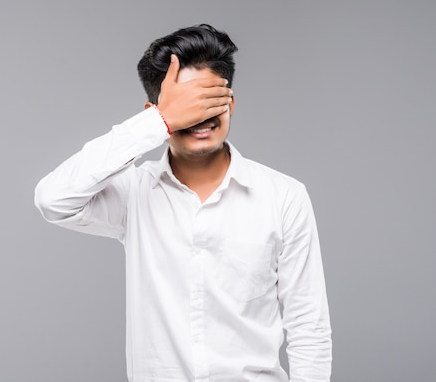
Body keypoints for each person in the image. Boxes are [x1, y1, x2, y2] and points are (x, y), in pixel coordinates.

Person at [34, 24, 332, 382]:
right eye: (185, 106)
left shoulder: (284, 195)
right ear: (153, 113)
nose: (200, 117)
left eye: (209, 100)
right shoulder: (134, 194)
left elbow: (307, 323)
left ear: (231, 103)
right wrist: (159, 121)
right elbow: (53, 200)